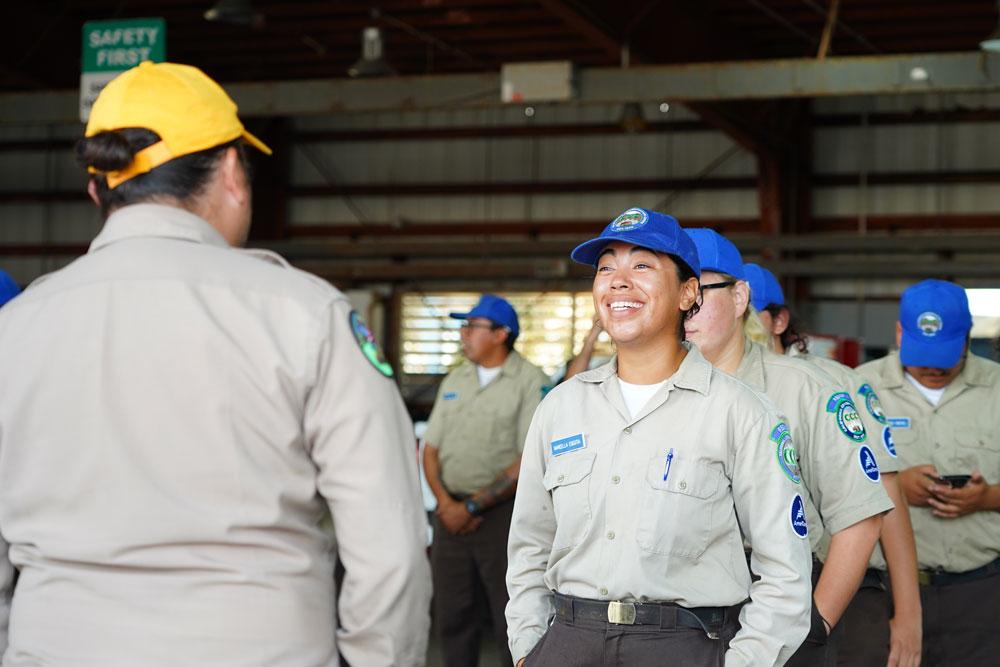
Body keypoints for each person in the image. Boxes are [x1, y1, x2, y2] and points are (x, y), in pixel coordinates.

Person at [0, 61, 431, 666]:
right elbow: (390, 548)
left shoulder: (15, 329)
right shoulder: (305, 315)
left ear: (97, 188)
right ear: (232, 172)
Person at [506, 207, 812, 667]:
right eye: (606, 267)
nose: (618, 281)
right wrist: (529, 648)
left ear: (689, 292)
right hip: (568, 641)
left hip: (683, 645)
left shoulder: (741, 414)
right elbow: (529, 544)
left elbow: (785, 570)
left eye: (642, 266)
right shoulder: (561, 409)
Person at [683, 229, 891, 667]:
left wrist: (815, 628)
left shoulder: (805, 389)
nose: (686, 306)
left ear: (740, 298)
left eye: (700, 290)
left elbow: (860, 516)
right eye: (675, 290)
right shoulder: (647, 394)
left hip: (787, 595)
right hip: (683, 612)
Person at [747, 263, 922, 667]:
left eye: (748, 313)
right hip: (753, 590)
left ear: (778, 321)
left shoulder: (836, 384)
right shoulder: (711, 389)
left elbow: (885, 498)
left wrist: (909, 614)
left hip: (847, 585)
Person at [857, 279, 1000, 667]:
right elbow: (823, 492)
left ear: (969, 337)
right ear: (900, 333)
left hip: (980, 595)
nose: (933, 367)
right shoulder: (858, 388)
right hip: (880, 596)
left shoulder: (996, 388)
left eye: (946, 354)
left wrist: (988, 497)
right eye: (923, 353)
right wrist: (896, 487)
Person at [422, 293, 550, 667]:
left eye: (472, 326)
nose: (463, 333)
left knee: (509, 612)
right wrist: (447, 504)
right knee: (452, 614)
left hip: (501, 517)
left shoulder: (530, 381)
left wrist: (475, 505)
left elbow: (530, 458)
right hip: (449, 515)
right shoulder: (455, 378)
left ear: (500, 334)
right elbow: (430, 448)